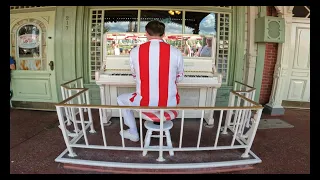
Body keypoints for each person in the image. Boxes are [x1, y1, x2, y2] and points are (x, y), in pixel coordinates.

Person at [117, 20, 184, 142]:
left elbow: (135, 76)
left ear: (146, 33)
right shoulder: (176, 52)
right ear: (163, 34)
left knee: (121, 99)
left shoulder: (135, 51)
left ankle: (133, 132)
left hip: (145, 103)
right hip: (169, 103)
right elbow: (179, 78)